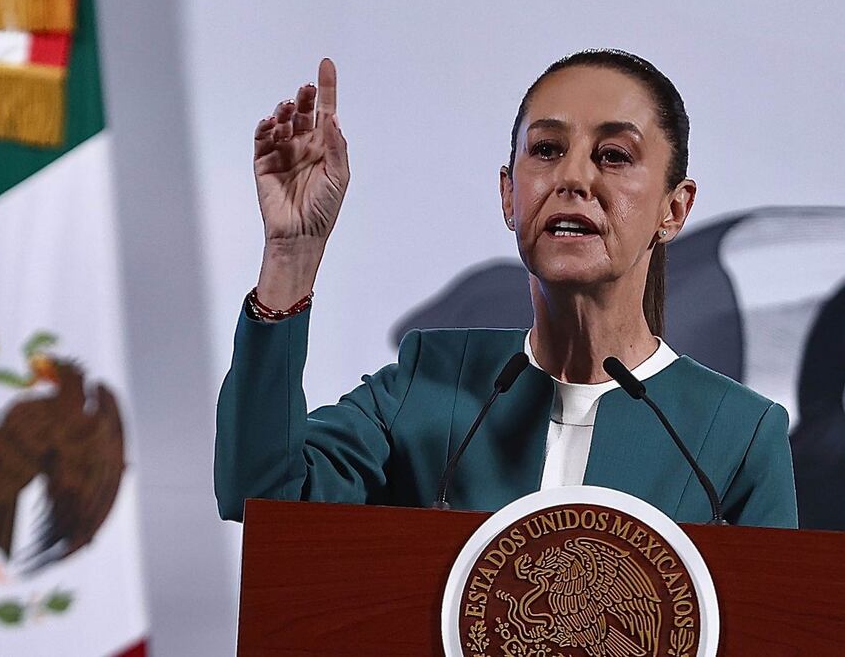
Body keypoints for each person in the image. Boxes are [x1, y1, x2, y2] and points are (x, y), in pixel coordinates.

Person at [214, 50, 797, 528]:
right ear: (509, 195)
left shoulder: (737, 436)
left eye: (614, 156)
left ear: (674, 209)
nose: (573, 177)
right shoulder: (428, 383)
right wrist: (291, 254)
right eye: (546, 150)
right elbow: (262, 494)